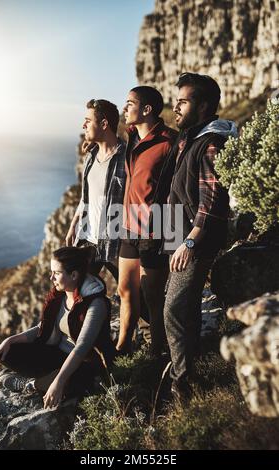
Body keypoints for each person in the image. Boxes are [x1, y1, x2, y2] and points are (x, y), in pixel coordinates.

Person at [163, 72, 238, 400]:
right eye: (176, 101)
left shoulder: (209, 143)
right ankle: (190, 364)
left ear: (204, 105)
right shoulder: (191, 137)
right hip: (178, 236)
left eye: (183, 101)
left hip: (192, 240)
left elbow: (213, 199)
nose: (176, 107)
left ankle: (184, 385)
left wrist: (190, 241)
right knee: (187, 305)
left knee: (174, 309)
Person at [0, 246, 115, 408]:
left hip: (85, 364)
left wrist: (59, 381)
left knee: (75, 381)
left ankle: (33, 385)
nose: (51, 277)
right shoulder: (60, 295)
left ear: (74, 275)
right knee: (7, 353)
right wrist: (10, 340)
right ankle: (45, 381)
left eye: (56, 273)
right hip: (58, 356)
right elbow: (42, 327)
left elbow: (82, 348)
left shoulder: (95, 304)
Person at [116, 86, 178, 356]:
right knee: (125, 289)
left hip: (157, 226)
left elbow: (179, 189)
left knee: (153, 295)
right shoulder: (130, 137)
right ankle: (122, 347)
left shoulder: (170, 142)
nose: (125, 108)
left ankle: (158, 351)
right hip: (127, 222)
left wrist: (175, 234)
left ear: (147, 109)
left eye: (130, 103)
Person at [65, 99, 126, 283]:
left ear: (104, 124)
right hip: (89, 239)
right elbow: (86, 198)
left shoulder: (126, 157)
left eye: (88, 120)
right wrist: (73, 225)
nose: (83, 125)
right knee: (78, 290)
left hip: (116, 242)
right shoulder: (90, 157)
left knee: (135, 296)